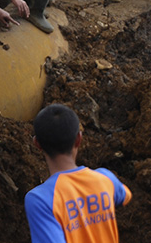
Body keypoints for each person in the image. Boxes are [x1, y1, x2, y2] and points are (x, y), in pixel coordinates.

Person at [25, 104, 132, 243]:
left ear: (37, 144)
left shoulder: (40, 199)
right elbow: (124, 196)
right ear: (79, 139)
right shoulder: (105, 179)